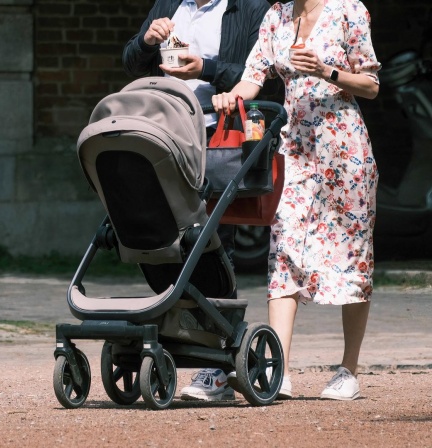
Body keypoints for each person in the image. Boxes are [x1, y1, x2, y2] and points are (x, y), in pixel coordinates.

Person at [212, 0, 381, 400]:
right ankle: (279, 369)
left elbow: (371, 84)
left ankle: (348, 370)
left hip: (345, 151)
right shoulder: (276, 17)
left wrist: (327, 71)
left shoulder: (348, 10)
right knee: (284, 247)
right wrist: (229, 97)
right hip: (294, 151)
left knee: (352, 254)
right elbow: (252, 79)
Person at [122, 0, 278, 402]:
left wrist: (205, 69)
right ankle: (173, 338)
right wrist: (145, 40)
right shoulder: (170, 5)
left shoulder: (249, 9)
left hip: (216, 134)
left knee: (211, 242)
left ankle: (216, 366)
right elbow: (130, 62)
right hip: (163, 134)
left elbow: (265, 77)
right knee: (163, 238)